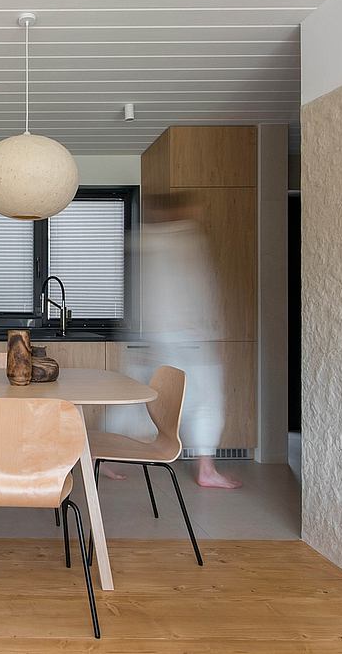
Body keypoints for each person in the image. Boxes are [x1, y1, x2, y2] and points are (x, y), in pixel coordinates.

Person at [103, 191, 240, 488]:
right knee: (207, 400)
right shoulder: (187, 240)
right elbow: (201, 295)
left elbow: (139, 295)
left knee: (134, 399)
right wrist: (211, 338)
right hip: (188, 339)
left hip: (148, 338)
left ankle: (106, 455)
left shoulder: (142, 242)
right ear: (181, 209)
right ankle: (206, 468)